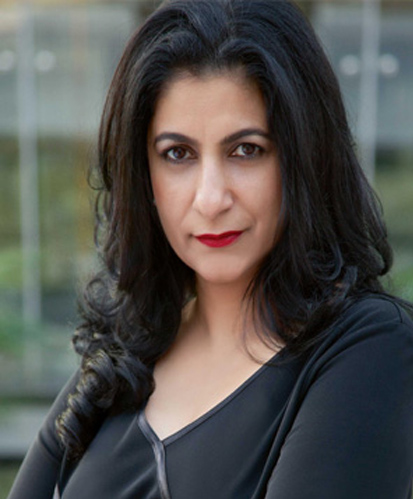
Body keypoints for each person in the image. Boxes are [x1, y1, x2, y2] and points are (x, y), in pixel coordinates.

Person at [8, 0, 413, 497]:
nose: (211, 198)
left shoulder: (368, 348)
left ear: (305, 158)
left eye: (246, 150)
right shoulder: (122, 360)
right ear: (144, 176)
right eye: (177, 154)